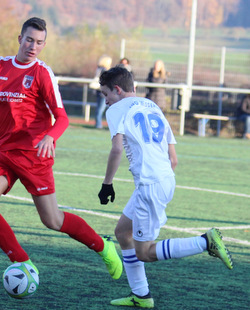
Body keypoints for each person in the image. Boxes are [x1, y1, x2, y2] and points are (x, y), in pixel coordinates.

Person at [0, 17, 123, 281]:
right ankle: (22, 262)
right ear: (20, 39)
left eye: (40, 42)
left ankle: (104, 247)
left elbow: (63, 117)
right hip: (1, 152)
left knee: (52, 220)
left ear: (44, 45)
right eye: (30, 40)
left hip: (34, 156)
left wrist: (50, 138)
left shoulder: (42, 73)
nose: (34, 46)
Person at [97, 66, 233, 308]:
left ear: (117, 90)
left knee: (144, 252)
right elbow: (174, 159)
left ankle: (206, 242)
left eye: (106, 93)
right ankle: (141, 296)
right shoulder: (152, 105)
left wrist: (107, 184)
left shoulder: (116, 109)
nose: (105, 99)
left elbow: (117, 149)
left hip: (150, 186)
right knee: (122, 233)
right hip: (163, 180)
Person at [93, 55, 112, 129]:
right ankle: (98, 125)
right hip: (103, 93)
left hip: (100, 92)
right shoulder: (103, 70)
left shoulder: (99, 69)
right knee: (100, 109)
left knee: (99, 109)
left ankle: (98, 124)